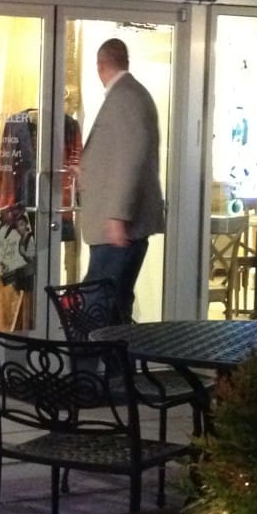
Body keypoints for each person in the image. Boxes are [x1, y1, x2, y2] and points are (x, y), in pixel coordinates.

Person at [79, 37, 165, 321]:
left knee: (99, 306)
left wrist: (118, 216)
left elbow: (131, 159)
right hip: (117, 227)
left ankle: (97, 364)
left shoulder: (126, 97)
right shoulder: (131, 95)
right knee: (112, 305)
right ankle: (116, 363)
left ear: (100, 66)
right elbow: (121, 157)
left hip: (117, 230)